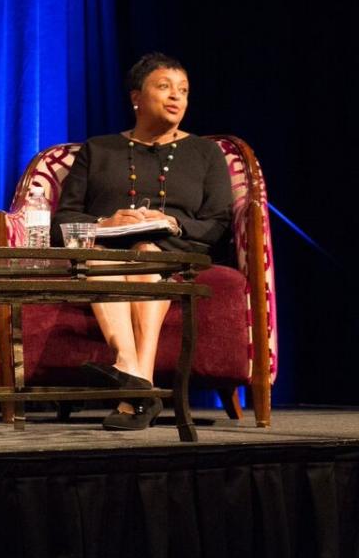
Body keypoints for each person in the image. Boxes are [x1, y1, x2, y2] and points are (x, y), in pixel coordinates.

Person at [53, 52, 232, 430]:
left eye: (183, 90)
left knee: (147, 256)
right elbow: (65, 218)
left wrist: (172, 222)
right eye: (164, 87)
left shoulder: (206, 153)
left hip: (172, 254)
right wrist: (106, 221)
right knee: (109, 260)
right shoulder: (98, 149)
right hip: (107, 253)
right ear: (136, 97)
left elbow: (218, 223)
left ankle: (130, 381)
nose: (176, 97)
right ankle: (139, 385)